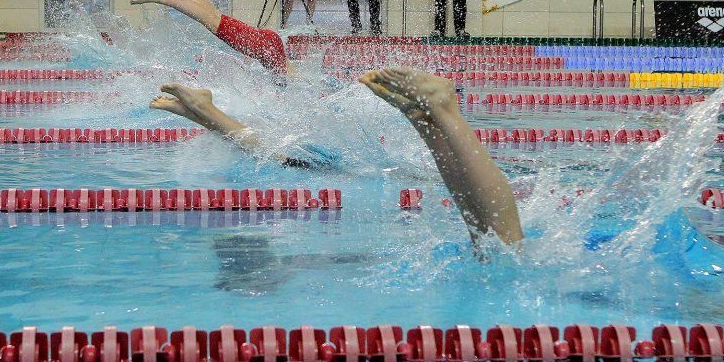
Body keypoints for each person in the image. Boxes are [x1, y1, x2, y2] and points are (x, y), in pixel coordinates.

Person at [149, 68, 523, 247]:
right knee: (498, 243)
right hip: (370, 167)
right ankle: (435, 115)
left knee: (494, 242)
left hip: (361, 166)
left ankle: (205, 112)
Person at [131, 0, 288, 74]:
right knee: (214, 22)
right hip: (264, 48)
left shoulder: (289, 72)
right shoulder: (292, 81)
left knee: (214, 15)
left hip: (269, 43)